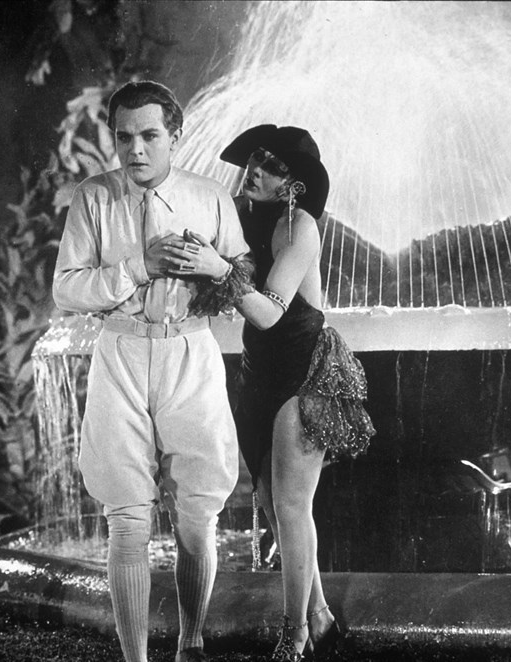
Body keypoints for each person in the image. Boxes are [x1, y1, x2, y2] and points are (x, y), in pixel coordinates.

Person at [52, 80, 251, 662]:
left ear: (175, 136)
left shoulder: (210, 196)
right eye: (123, 137)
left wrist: (216, 266)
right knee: (127, 518)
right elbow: (66, 288)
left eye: (149, 136)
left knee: (197, 513)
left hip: (190, 353)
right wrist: (137, 266)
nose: (134, 149)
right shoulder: (94, 198)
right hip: (121, 354)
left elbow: (243, 281)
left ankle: (192, 642)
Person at [183, 125, 375, 661]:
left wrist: (218, 269)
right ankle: (321, 617)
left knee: (291, 506)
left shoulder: (300, 227)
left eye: (271, 166)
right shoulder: (243, 218)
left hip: (302, 373)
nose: (256, 170)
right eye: (256, 160)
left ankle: (294, 636)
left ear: (293, 185)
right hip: (258, 373)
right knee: (271, 502)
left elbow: (268, 312)